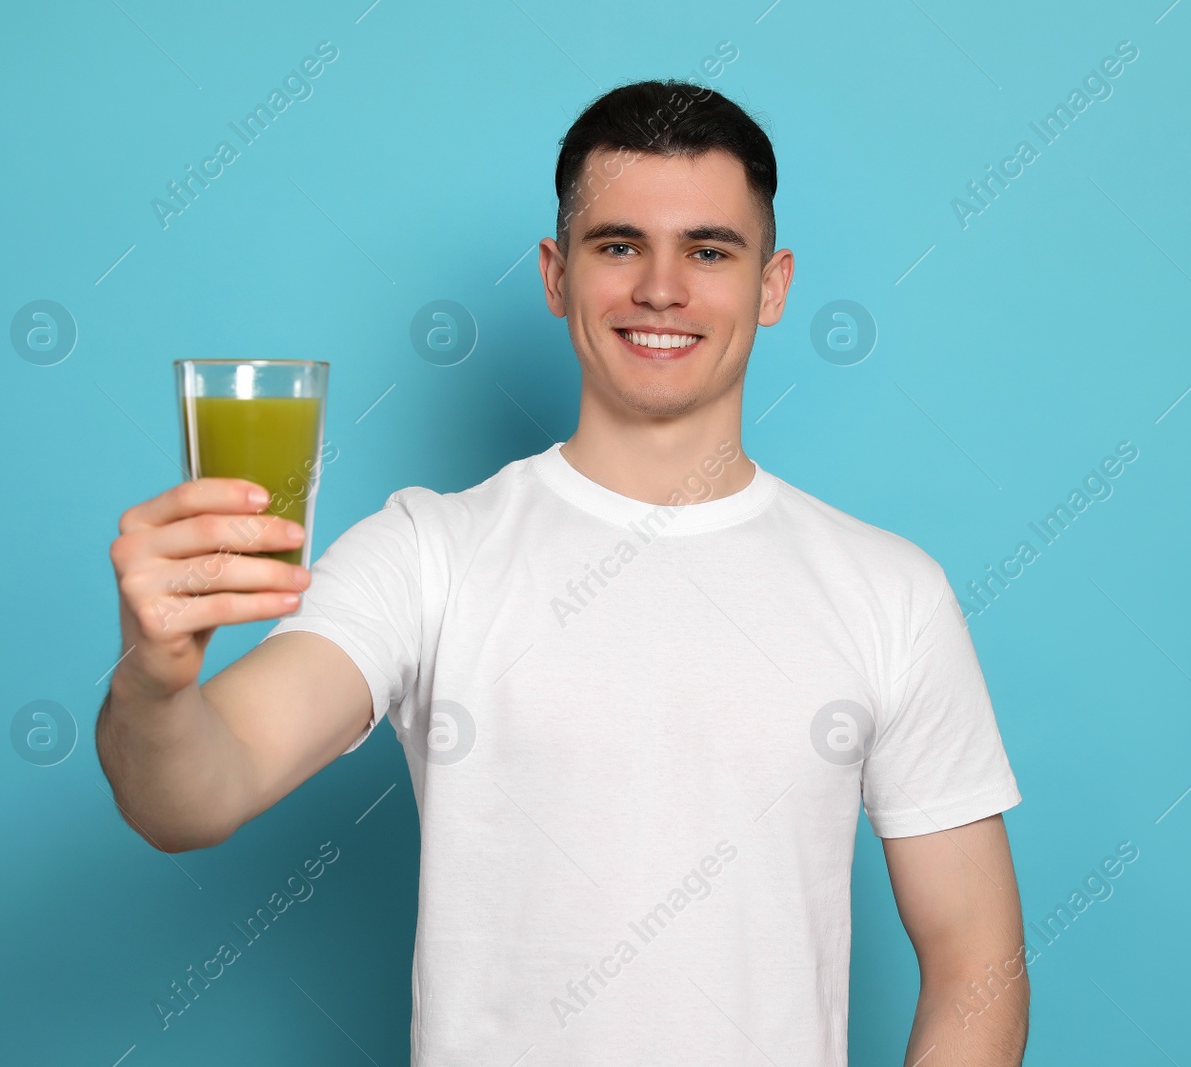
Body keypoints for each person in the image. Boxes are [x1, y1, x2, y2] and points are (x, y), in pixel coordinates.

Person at [99, 79, 1028, 1066]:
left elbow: (977, 962)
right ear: (555, 274)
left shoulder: (889, 591)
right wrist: (152, 681)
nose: (660, 289)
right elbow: (190, 798)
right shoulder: (428, 552)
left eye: (708, 251)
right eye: (617, 245)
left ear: (772, 284)